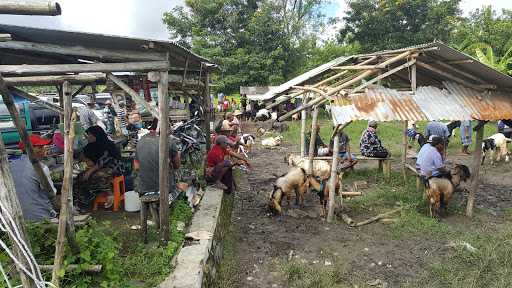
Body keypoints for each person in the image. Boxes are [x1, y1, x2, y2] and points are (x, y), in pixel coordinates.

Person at [9, 135, 57, 221]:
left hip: (15, 217)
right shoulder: (41, 168)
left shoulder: (10, 166)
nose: (44, 149)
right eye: (40, 147)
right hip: (40, 216)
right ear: (30, 150)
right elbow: (52, 193)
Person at [76, 126, 124, 210]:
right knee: (80, 177)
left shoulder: (107, 145)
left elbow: (102, 162)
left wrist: (89, 171)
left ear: (96, 135)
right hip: (98, 168)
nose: (88, 137)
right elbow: (81, 155)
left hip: (114, 168)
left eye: (90, 135)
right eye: (87, 135)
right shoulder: (90, 145)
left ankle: (110, 194)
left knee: (98, 175)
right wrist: (85, 158)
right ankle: (84, 201)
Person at [134, 128, 181, 201]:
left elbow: (136, 167)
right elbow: (177, 165)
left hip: (143, 187)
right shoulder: (169, 141)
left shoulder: (140, 141)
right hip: (165, 187)